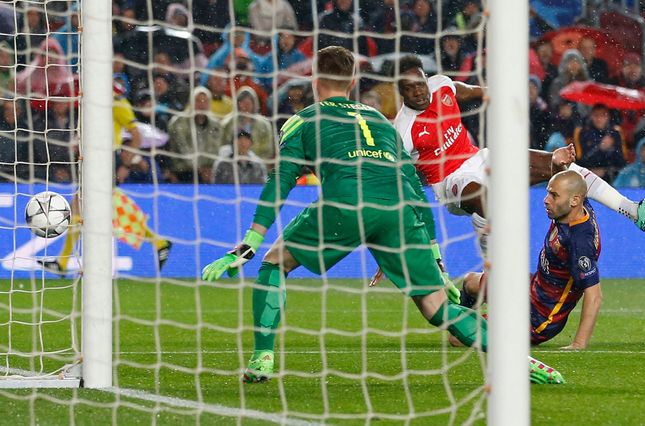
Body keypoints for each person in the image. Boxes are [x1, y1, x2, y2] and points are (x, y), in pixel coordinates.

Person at [201, 46, 564, 385]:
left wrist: (249, 242)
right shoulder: (379, 120)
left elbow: (281, 181)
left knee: (273, 263)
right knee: (437, 306)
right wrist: (431, 254)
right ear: (353, 82)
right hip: (397, 214)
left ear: (315, 79)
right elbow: (411, 184)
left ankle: (262, 357)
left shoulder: (303, 120)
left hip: (345, 204)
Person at [391, 55, 645, 260]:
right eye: (409, 87)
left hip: (480, 158)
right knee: (487, 199)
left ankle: (635, 211)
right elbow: (398, 182)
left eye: (420, 82)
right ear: (400, 91)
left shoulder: (442, 86)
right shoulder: (403, 131)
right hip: (451, 181)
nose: (418, 90)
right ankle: (493, 259)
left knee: (564, 167)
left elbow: (476, 93)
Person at [458, 171, 604, 349]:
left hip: (537, 319)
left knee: (457, 337)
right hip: (531, 287)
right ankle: (471, 317)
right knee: (470, 282)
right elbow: (574, 176)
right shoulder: (578, 205)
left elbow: (594, 296)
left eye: (554, 195)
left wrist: (578, 344)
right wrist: (560, 161)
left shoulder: (579, 242)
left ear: (574, 200)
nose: (546, 199)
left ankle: (479, 322)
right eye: (548, 192)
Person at [39, 84, 172, 275]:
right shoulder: (97, 100)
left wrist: (125, 163)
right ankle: (63, 262)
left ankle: (158, 242)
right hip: (97, 158)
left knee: (96, 206)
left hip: (107, 158)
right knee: (90, 205)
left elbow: (135, 134)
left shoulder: (117, 102)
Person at [573, 104, 627, 183]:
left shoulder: (616, 132)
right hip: (587, 178)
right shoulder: (582, 132)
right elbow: (580, 160)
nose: (599, 119)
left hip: (611, 178)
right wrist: (600, 149)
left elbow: (622, 161)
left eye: (603, 115)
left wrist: (611, 149)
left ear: (608, 117)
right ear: (591, 116)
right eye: (596, 115)